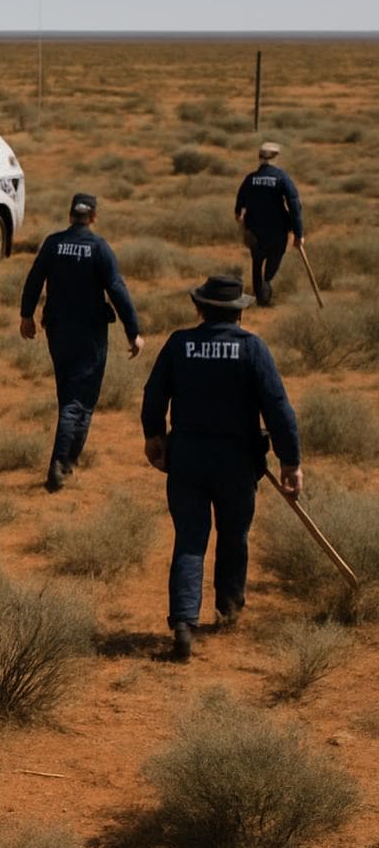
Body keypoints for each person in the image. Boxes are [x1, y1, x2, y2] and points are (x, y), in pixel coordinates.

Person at [141, 274, 301, 662]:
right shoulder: (252, 349)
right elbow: (278, 409)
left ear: (200, 309)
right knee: (234, 534)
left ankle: (182, 622)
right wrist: (290, 461)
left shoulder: (179, 344)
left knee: (190, 539)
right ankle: (228, 608)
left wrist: (154, 437)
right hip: (237, 462)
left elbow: (153, 394)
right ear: (238, 314)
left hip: (188, 459)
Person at [19, 192, 143, 492]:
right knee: (81, 400)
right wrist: (133, 330)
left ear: (70, 215)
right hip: (90, 334)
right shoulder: (99, 248)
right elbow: (116, 288)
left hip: (58, 331)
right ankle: (61, 463)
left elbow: (35, 278)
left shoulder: (53, 243)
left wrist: (26, 315)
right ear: (94, 217)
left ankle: (69, 462)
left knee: (68, 394)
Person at [235, 142, 304, 306]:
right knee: (274, 260)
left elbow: (240, 201)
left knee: (257, 262)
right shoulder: (282, 178)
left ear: (260, 158)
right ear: (276, 158)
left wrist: (239, 214)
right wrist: (298, 234)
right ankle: (266, 287)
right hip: (278, 231)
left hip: (254, 230)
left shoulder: (250, 179)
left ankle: (261, 296)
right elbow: (295, 206)